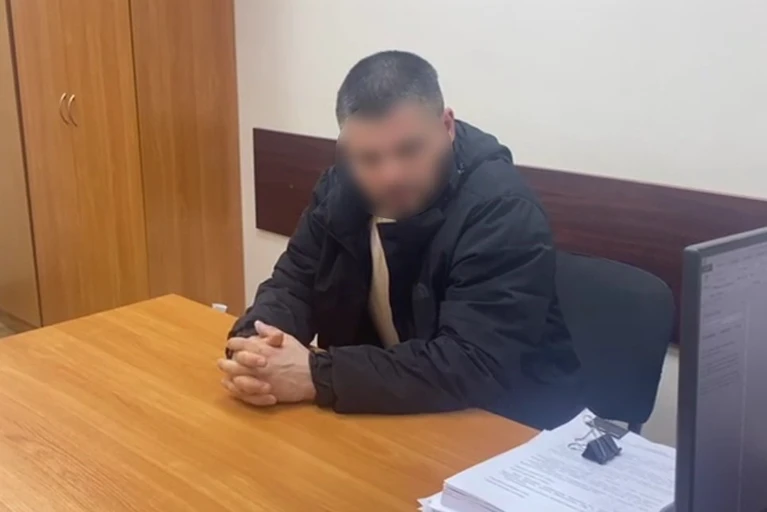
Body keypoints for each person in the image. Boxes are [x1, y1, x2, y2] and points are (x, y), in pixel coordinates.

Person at [218, 50, 582, 429]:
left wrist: (316, 375)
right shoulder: (340, 188)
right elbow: (293, 284)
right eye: (369, 158)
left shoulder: (501, 209)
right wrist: (253, 349)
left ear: (446, 126)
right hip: (395, 410)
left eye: (409, 150)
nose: (391, 175)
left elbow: (473, 363)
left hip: (509, 427)